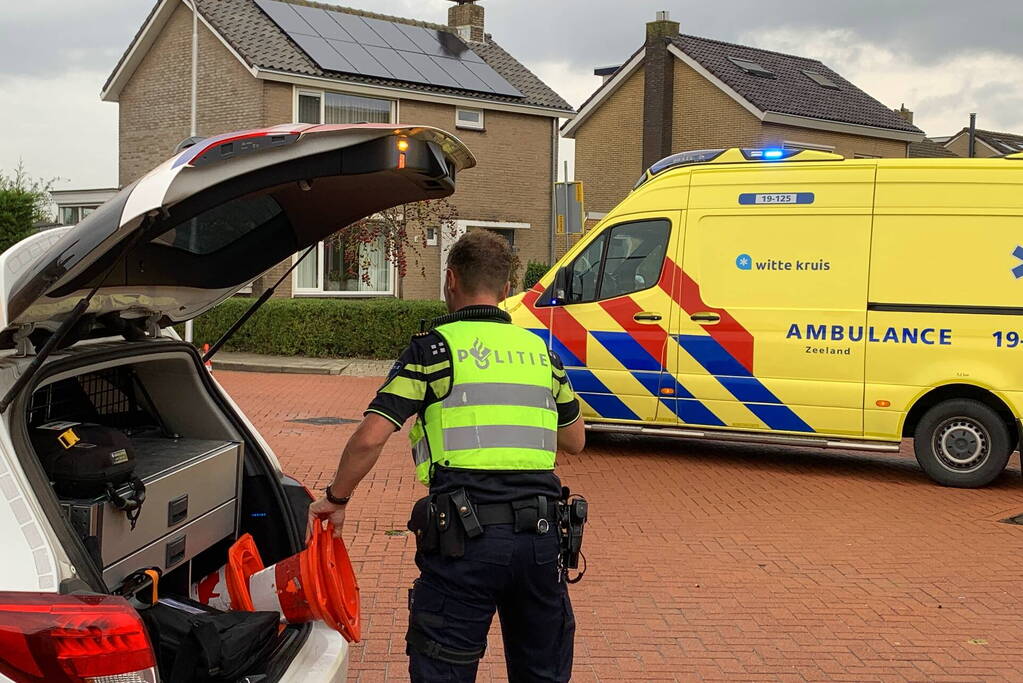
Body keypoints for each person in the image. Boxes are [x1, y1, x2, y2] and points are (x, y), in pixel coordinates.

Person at [309, 229, 585, 682]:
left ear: (450, 280)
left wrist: (336, 499)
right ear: (507, 290)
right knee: (543, 670)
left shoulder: (432, 350)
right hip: (542, 537)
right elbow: (574, 440)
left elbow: (370, 437)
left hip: (465, 538)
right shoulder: (542, 353)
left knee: (445, 668)